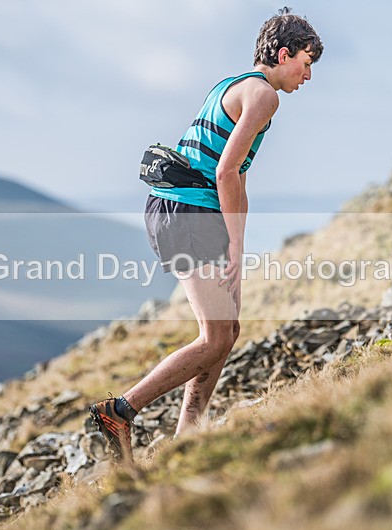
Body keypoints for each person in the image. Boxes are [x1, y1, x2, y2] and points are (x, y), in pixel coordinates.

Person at [89, 7, 323, 462]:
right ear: (283, 54)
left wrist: (238, 245)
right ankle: (119, 411)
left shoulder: (233, 85)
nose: (308, 75)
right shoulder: (264, 96)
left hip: (183, 211)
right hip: (188, 214)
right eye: (306, 62)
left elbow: (238, 175)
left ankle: (188, 433)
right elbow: (225, 172)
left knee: (227, 330)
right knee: (215, 336)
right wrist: (235, 244)